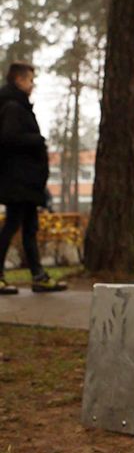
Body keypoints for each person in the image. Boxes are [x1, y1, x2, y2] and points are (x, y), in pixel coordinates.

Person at [0, 62, 67, 294]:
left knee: (29, 227)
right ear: (19, 80)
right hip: (18, 180)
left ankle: (38, 276)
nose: (32, 84)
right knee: (13, 225)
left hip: (26, 181)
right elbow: (8, 138)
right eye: (30, 80)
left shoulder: (19, 106)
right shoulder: (12, 107)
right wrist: (37, 140)